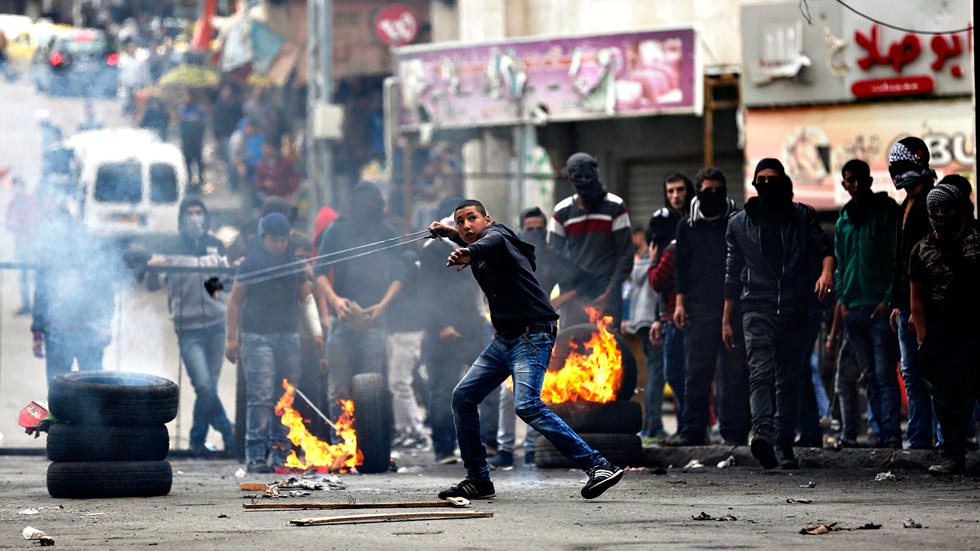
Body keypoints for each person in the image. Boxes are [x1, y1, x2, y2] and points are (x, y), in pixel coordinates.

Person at [428, 199, 624, 500]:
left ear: (487, 219)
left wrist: (469, 251)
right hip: (505, 339)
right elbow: (471, 239)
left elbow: (488, 242)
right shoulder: (476, 241)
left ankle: (599, 465)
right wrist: (448, 233)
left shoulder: (499, 235)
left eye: (472, 218)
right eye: (460, 221)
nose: (466, 225)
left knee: (527, 405)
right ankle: (479, 479)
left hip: (533, 334)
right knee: (463, 397)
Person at [723, 158, 834, 470]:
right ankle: (762, 434)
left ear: (784, 183)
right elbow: (731, 273)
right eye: (761, 180)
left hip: (794, 308)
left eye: (773, 179)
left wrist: (826, 274)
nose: (766, 185)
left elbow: (825, 250)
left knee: (788, 380)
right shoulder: (739, 223)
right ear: (754, 184)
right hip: (756, 306)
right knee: (759, 373)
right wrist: (726, 319)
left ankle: (783, 445)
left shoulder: (802, 216)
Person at [225, 212, 318, 473]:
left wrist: (317, 334)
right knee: (261, 397)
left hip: (288, 336)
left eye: (283, 240)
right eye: (274, 240)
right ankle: (255, 456)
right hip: (256, 337)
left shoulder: (293, 263)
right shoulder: (251, 263)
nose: (279, 245)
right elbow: (235, 301)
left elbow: (306, 299)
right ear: (263, 238)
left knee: (285, 396)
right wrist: (231, 338)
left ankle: (281, 454)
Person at [145, 197, 235, 453]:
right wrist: (153, 268)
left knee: (208, 388)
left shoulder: (215, 246)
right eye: (189, 213)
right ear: (181, 218)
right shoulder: (170, 247)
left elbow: (224, 285)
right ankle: (228, 431)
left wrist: (227, 275)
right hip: (188, 329)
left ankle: (197, 439)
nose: (194, 218)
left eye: (198, 212)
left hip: (216, 325)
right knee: (203, 384)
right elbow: (153, 285)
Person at [315, 182, 404, 431]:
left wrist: (382, 306)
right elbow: (319, 272)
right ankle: (340, 441)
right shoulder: (336, 231)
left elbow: (399, 275)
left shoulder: (386, 233)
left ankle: (369, 439)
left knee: (372, 386)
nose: (369, 208)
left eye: (373, 203)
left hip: (374, 319)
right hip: (341, 318)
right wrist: (335, 300)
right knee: (338, 386)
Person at [673, 167, 750, 447]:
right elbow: (681, 267)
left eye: (718, 190)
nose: (713, 195)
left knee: (735, 374)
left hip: (734, 307)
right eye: (708, 190)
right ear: (699, 191)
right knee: (696, 374)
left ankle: (735, 433)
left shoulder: (737, 221)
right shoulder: (688, 225)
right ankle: (693, 432)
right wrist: (679, 303)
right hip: (699, 308)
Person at [909, 178, 980, 474]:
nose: (941, 214)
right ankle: (952, 456)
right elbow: (917, 300)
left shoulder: (977, 239)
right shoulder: (921, 250)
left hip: (975, 327)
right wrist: (924, 340)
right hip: (941, 331)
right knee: (947, 398)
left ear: (959, 208)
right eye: (934, 209)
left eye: (946, 208)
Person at [834, 159, 902, 449]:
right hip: (854, 310)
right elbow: (839, 264)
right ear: (844, 184)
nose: (856, 184)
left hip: (879, 309)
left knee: (885, 375)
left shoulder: (886, 212)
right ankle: (879, 432)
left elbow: (898, 259)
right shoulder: (843, 220)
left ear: (870, 181)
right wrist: (843, 300)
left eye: (860, 179)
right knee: (870, 377)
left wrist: (887, 299)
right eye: (850, 180)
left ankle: (891, 434)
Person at [887, 136, 940, 451]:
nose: (896, 173)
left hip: (926, 305)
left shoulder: (933, 202)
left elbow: (930, 261)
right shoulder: (905, 205)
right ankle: (920, 439)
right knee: (910, 372)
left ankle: (945, 439)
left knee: (934, 370)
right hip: (907, 304)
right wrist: (898, 304)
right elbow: (901, 260)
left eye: (901, 166)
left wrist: (917, 308)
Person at [32, 201, 118, 384]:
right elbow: (41, 296)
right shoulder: (48, 257)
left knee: (91, 388)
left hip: (88, 332)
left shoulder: (89, 252)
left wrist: (104, 323)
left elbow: (104, 290)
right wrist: (37, 333)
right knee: (62, 390)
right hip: (58, 333)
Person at [548, 152, 633, 328]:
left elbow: (626, 254)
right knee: (572, 343)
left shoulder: (615, 206)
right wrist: (571, 294)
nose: (585, 182)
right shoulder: (561, 212)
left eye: (589, 177)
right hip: (574, 299)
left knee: (609, 344)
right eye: (580, 177)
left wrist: (610, 292)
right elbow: (552, 257)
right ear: (570, 177)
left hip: (606, 298)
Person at [647, 210, 687, 443]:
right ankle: (686, 427)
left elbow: (657, 281)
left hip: (675, 321)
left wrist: (652, 261)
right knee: (679, 375)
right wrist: (657, 319)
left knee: (675, 374)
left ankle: (687, 427)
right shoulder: (674, 246)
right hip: (670, 319)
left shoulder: (671, 249)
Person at [623, 223, 664, 445]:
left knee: (653, 375)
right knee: (657, 375)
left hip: (642, 323)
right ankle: (651, 427)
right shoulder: (649, 261)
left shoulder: (639, 262)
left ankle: (651, 426)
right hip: (651, 322)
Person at [385, 245, 429, 450]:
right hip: (401, 332)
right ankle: (404, 430)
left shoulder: (407, 276)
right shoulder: (418, 282)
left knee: (401, 383)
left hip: (407, 333)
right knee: (397, 384)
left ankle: (416, 432)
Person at [5, 176, 37, 315]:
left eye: (18, 186)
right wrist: (14, 226)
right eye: (14, 187)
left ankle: (37, 306)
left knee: (35, 275)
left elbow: (33, 220)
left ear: (23, 186)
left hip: (32, 243)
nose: (16, 189)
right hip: (19, 243)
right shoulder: (13, 203)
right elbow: (7, 221)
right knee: (23, 275)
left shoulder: (30, 201)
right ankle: (26, 305)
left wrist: (20, 226)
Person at [212, 84, 243, 190]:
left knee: (233, 159)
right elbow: (216, 121)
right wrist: (217, 137)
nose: (226, 93)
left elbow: (241, 119)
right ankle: (231, 180)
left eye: (228, 91)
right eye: (224, 91)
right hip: (223, 136)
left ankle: (234, 182)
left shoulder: (236, 104)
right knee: (227, 159)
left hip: (235, 135)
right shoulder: (219, 105)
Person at [178, 90, 207, 187]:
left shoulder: (199, 109)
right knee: (187, 161)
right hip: (186, 140)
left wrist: (196, 121)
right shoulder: (182, 109)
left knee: (198, 160)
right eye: (183, 97)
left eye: (186, 96)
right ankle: (190, 181)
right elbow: (180, 125)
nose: (185, 99)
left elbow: (203, 124)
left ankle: (200, 180)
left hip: (196, 140)